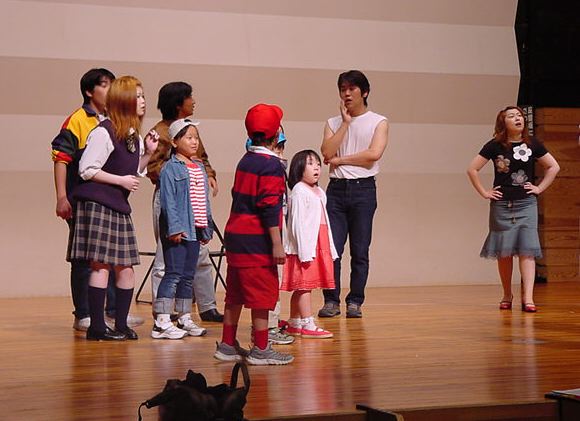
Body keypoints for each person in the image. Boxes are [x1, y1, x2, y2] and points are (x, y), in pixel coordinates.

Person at [51, 68, 144, 331]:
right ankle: (86, 314)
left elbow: (130, 167)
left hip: (113, 200)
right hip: (87, 198)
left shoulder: (122, 127)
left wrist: (146, 152)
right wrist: (62, 196)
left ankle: (112, 313)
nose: (110, 90)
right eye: (104, 85)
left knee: (114, 261)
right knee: (90, 261)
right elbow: (64, 159)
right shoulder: (81, 121)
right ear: (89, 91)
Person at [69, 75, 159, 340]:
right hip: (97, 204)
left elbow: (133, 171)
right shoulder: (103, 131)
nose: (143, 101)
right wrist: (120, 180)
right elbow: (87, 169)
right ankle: (97, 327)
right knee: (101, 266)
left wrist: (148, 154)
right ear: (123, 100)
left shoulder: (133, 136)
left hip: (117, 205)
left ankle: (120, 324)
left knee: (126, 267)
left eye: (143, 96)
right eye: (137, 96)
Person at [214, 103, 294, 365]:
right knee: (262, 295)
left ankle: (227, 344)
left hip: (235, 234)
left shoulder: (245, 159)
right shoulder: (271, 165)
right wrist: (277, 243)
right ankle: (261, 348)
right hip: (256, 239)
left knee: (235, 293)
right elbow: (269, 206)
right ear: (276, 133)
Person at [467, 106, 560, 312]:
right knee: (504, 252)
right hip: (502, 205)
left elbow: (554, 166)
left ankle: (528, 298)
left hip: (526, 204)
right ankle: (507, 294)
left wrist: (539, 188)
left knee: (527, 251)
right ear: (503, 123)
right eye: (511, 116)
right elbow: (472, 169)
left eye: (519, 115)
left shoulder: (533, 144)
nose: (517, 118)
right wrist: (485, 192)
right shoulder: (494, 145)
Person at [146, 82, 223, 323]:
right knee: (166, 259)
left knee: (200, 255)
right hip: (172, 198)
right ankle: (163, 311)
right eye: (190, 97)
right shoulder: (160, 132)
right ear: (179, 103)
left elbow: (202, 158)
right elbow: (152, 167)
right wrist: (179, 172)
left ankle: (206, 307)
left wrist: (208, 174)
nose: (194, 101)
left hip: (195, 200)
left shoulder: (189, 130)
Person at [318, 70, 389, 319]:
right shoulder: (333, 122)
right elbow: (326, 152)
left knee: (360, 250)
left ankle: (355, 301)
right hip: (336, 190)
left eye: (352, 89)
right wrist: (345, 123)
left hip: (363, 190)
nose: (346, 94)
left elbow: (373, 154)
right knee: (332, 249)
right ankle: (331, 300)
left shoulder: (378, 121)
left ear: (364, 92)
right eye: (343, 89)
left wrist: (341, 160)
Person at [152, 119, 214, 339]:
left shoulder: (199, 167)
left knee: (188, 275)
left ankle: (184, 316)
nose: (194, 142)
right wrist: (174, 228)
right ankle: (161, 321)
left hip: (195, 229)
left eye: (196, 137)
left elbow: (204, 201)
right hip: (178, 230)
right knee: (173, 273)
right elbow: (168, 201)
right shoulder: (170, 168)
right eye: (189, 137)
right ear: (175, 141)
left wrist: (205, 228)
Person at [282, 150, 337, 338]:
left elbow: (324, 220)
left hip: (318, 239)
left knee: (305, 286)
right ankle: (307, 323)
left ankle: (294, 322)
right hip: (305, 246)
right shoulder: (299, 190)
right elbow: (297, 223)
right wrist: (304, 250)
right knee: (304, 285)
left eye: (318, 164)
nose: (316, 168)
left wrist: (329, 247)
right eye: (311, 164)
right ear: (299, 168)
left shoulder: (319, 191)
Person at [246, 132, 295, 346]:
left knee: (275, 277)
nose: (280, 152)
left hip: (278, 225)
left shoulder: (276, 168)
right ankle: (268, 328)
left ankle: (269, 324)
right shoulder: (265, 166)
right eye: (276, 146)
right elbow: (267, 206)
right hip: (266, 231)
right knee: (269, 279)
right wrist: (276, 242)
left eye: (282, 147)